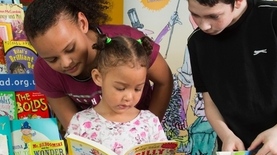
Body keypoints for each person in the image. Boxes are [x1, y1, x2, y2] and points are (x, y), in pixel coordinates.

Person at [187, 0, 277, 155]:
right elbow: (210, 102)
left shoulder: (276, 16)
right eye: (195, 14)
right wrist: (227, 135)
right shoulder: (197, 42)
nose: (203, 25)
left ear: (238, 2)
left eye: (214, 16)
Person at [57, 35, 185, 155]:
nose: (129, 97)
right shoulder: (81, 122)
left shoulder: (150, 122)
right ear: (98, 77)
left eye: (138, 88)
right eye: (120, 88)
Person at [23, 0, 173, 131]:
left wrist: (149, 128)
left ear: (82, 23)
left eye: (70, 49)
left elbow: (164, 80)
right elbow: (75, 130)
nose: (66, 63)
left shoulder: (126, 43)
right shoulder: (45, 72)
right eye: (52, 59)